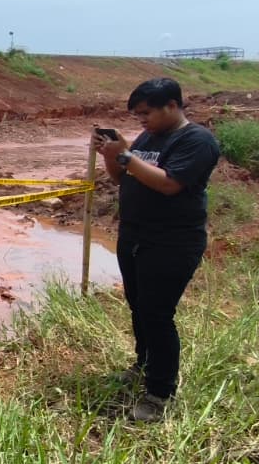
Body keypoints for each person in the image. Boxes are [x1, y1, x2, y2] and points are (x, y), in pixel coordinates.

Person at [91, 77, 220, 422]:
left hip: (172, 241)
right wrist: (111, 156)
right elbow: (123, 178)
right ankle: (143, 366)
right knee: (138, 306)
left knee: (158, 315)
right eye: (136, 115)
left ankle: (159, 393)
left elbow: (169, 184)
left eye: (146, 113)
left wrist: (126, 156)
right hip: (135, 237)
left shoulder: (197, 140)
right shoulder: (149, 137)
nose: (141, 121)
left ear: (173, 106)